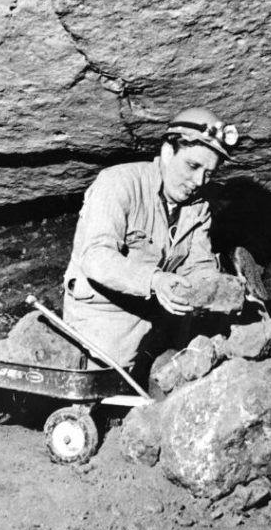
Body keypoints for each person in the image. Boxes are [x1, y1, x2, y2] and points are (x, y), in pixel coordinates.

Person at [62, 107, 239, 371]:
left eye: (209, 173)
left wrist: (216, 286)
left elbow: (199, 264)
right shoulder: (118, 183)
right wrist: (155, 280)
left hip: (158, 315)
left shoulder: (198, 206)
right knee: (108, 393)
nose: (199, 180)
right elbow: (96, 258)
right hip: (105, 315)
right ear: (168, 152)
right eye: (192, 166)